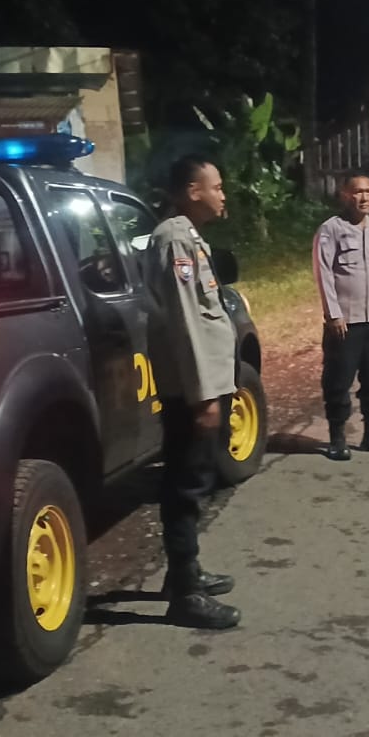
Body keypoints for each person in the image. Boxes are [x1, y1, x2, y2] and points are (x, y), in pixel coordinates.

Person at [144, 155, 242, 630]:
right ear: (191, 191)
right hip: (192, 389)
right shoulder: (176, 239)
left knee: (195, 479)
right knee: (187, 485)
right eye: (216, 186)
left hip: (203, 384)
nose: (223, 195)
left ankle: (185, 572)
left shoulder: (189, 236)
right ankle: (185, 595)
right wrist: (203, 395)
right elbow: (185, 323)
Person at [313, 172, 369, 462]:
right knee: (338, 381)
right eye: (357, 192)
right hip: (345, 322)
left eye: (368, 192)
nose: (363, 197)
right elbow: (324, 273)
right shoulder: (331, 230)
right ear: (345, 195)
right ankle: (337, 439)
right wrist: (333, 314)